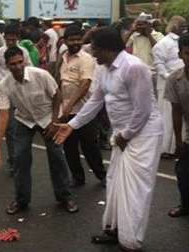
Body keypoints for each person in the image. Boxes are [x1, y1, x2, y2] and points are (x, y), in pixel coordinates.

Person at [53, 28, 163, 251]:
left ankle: (130, 240)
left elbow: (143, 110)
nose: (91, 53)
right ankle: (114, 230)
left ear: (107, 49)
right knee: (115, 182)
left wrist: (125, 135)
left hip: (143, 134)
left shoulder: (134, 68)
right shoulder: (103, 69)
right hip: (123, 134)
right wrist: (72, 125)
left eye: (94, 48)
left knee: (135, 189)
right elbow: (95, 101)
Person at [0, 46, 78, 215]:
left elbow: (57, 96)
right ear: (7, 66)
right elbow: (3, 115)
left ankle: (64, 197)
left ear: (24, 60)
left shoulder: (40, 75)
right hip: (24, 120)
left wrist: (54, 122)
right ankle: (21, 200)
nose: (17, 66)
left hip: (47, 118)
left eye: (19, 62)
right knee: (20, 158)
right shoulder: (4, 85)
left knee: (57, 157)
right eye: (12, 64)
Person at [55, 25, 106, 188]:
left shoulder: (86, 58)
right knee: (69, 148)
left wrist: (68, 107)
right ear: (65, 41)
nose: (76, 42)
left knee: (90, 146)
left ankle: (102, 176)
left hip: (84, 111)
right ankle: (78, 178)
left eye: (78, 39)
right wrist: (59, 109)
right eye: (72, 39)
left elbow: (84, 85)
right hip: (66, 111)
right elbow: (59, 81)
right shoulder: (63, 56)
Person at [0, 24, 32, 175]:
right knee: (10, 129)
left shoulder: (24, 52)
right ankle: (14, 161)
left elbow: (30, 71)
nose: (11, 42)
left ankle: (19, 159)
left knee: (23, 128)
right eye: (8, 39)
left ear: (17, 38)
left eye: (14, 39)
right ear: (4, 38)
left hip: (21, 93)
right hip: (4, 93)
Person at [153, 16, 187, 157]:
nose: (185, 29)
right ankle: (166, 148)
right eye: (182, 26)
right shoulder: (164, 43)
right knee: (169, 117)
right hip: (169, 84)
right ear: (175, 26)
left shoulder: (182, 41)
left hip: (184, 82)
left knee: (182, 117)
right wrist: (169, 78)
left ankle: (178, 145)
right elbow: (159, 64)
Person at [164, 33, 189, 218]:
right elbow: (177, 110)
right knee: (182, 171)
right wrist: (178, 141)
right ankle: (185, 205)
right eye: (188, 53)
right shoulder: (174, 79)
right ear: (181, 54)